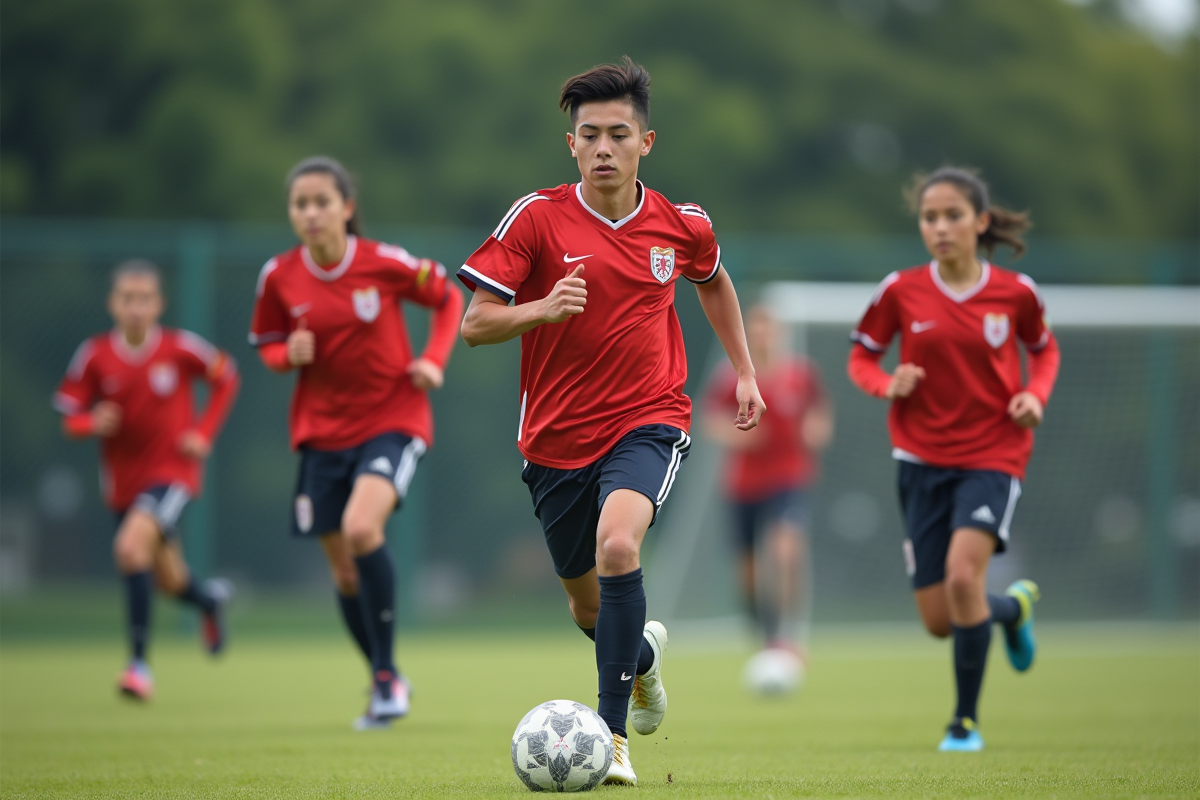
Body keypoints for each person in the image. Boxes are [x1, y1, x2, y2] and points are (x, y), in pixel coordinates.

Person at [458, 58, 764, 785]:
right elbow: (475, 324)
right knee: (585, 605)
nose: (602, 147)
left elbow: (712, 280)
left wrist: (745, 370)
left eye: (617, 135)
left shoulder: (681, 226)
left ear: (645, 143)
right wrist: (540, 308)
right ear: (571, 146)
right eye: (588, 135)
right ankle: (644, 658)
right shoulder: (535, 218)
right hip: (554, 442)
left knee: (619, 546)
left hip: (649, 419)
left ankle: (612, 738)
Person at [847, 166, 1060, 751]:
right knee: (940, 619)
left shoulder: (1016, 293)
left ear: (980, 222)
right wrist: (887, 383)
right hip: (919, 459)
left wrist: (1033, 397)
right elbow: (862, 358)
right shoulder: (899, 290)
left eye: (953, 216)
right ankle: (1011, 613)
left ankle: (963, 723)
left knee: (966, 577)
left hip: (993, 453)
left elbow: (1043, 353)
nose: (940, 227)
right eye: (929, 217)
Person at [249, 156, 463, 730]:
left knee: (362, 528)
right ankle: (383, 676)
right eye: (300, 204)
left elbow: (447, 298)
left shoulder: (382, 263)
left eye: (323, 201)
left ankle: (387, 679)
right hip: (320, 436)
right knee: (344, 574)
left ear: (347, 207)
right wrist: (282, 355)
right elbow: (267, 342)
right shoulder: (278, 276)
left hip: (392, 419)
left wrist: (433, 360)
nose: (311, 213)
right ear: (291, 214)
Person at [54, 259, 239, 701]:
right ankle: (209, 602)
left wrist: (202, 431)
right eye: (127, 299)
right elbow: (69, 417)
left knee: (129, 548)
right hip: (123, 484)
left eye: (144, 299)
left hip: (172, 473)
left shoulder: (179, 348)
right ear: (112, 304)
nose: (136, 307)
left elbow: (226, 376)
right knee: (169, 580)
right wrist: (91, 421)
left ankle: (138, 666)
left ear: (159, 304)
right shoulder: (95, 355)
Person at [703, 305, 832, 661]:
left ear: (779, 334)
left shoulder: (801, 375)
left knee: (786, 549)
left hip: (789, 478)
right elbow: (710, 418)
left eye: (768, 330)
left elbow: (819, 410)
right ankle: (765, 635)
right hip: (744, 484)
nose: (762, 337)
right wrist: (735, 437)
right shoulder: (733, 378)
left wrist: (816, 429)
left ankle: (789, 634)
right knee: (748, 573)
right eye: (755, 331)